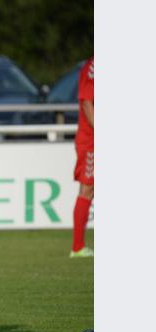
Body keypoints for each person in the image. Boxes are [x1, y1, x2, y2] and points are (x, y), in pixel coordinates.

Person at [70, 57, 94, 258]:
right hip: (92, 141)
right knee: (87, 188)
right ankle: (77, 247)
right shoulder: (94, 66)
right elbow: (87, 102)